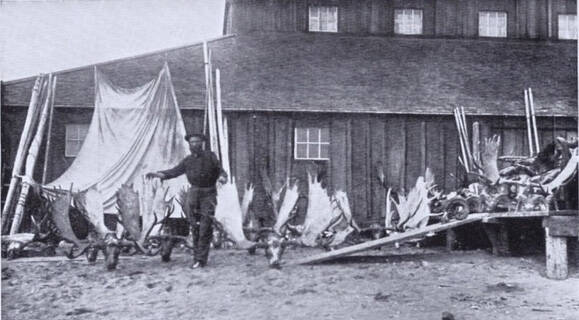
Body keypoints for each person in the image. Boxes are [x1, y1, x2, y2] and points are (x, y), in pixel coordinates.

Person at [146, 133, 226, 269]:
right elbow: (175, 171)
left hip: (208, 194)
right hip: (193, 194)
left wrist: (222, 178)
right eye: (192, 142)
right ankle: (196, 258)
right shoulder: (188, 160)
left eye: (197, 142)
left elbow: (221, 172)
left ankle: (201, 259)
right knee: (194, 226)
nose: (194, 144)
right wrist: (158, 174)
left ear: (202, 143)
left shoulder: (210, 157)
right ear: (189, 145)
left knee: (205, 227)